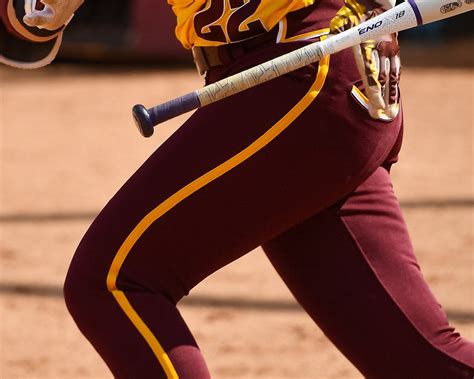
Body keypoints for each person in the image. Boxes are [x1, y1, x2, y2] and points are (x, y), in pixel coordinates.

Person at [2, 0, 473, 377]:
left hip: (300, 72)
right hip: (321, 70)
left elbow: (34, 22)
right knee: (419, 361)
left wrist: (33, 13)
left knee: (110, 281)